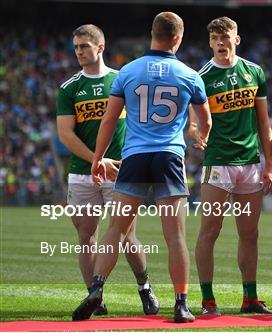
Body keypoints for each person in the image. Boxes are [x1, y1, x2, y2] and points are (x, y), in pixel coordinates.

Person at [71, 12, 212, 323]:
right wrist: (198, 135)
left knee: (116, 230)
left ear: (152, 33)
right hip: (169, 158)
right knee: (175, 237)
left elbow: (109, 120)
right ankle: (181, 303)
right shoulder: (190, 75)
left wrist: (97, 158)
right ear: (178, 38)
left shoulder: (128, 72)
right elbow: (205, 120)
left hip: (134, 157)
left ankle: (96, 289)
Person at [57, 24, 159, 317]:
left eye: (85, 46)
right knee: (86, 237)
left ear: (100, 47)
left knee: (126, 235)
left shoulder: (123, 79)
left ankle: (145, 289)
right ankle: (94, 297)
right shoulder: (69, 88)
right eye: (76, 47)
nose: (79, 52)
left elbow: (142, 123)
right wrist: (95, 159)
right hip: (83, 172)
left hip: (121, 171)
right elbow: (66, 134)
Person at [193, 16, 272, 315]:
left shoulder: (254, 71)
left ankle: (250, 298)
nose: (221, 42)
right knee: (209, 232)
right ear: (209, 42)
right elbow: (193, 120)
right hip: (218, 165)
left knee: (250, 233)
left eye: (225, 36)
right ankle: (207, 300)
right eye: (215, 38)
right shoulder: (201, 77)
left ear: (236, 39)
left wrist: (270, 165)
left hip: (251, 165)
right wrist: (194, 132)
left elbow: (264, 122)